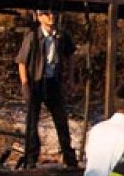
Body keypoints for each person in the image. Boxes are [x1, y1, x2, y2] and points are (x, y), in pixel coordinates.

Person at [15, 10, 78, 166]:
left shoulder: (61, 36)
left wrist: (71, 79)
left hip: (53, 82)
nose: (51, 16)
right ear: (39, 17)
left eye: (53, 13)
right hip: (36, 82)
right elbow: (21, 62)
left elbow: (70, 56)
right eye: (46, 14)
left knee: (61, 119)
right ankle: (31, 158)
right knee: (32, 121)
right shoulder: (32, 37)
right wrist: (25, 84)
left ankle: (69, 156)